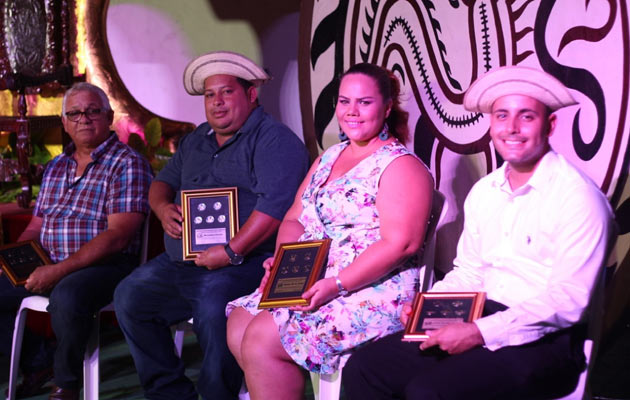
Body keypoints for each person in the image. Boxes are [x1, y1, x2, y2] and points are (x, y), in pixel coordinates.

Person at [342, 66, 616, 400]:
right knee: (366, 367)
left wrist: (479, 333)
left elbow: (567, 302)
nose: (511, 128)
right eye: (502, 116)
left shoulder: (579, 198)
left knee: (429, 392)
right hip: (478, 316)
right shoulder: (485, 191)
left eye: (526, 116)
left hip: (546, 341)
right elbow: (469, 272)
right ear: (491, 124)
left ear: (550, 125)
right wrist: (428, 307)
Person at [225, 62, 434, 399]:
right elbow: (294, 218)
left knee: (262, 337)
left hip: (371, 287)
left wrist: (336, 284)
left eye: (364, 102)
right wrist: (283, 266)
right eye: (344, 101)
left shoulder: (400, 165)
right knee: (239, 321)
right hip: (314, 274)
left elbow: (402, 244)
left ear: (387, 107)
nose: (351, 111)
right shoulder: (330, 156)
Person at [113, 50, 310, 400]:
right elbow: (161, 183)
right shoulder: (196, 140)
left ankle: (218, 395)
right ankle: (170, 394)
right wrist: (161, 208)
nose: (217, 103)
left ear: (251, 95)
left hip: (244, 262)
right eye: (209, 95)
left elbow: (274, 209)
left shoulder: (274, 140)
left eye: (227, 92)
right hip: (183, 261)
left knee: (212, 307)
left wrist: (232, 250)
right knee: (129, 297)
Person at [0, 82, 153, 400]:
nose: (84, 118)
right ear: (64, 123)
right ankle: (39, 361)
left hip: (106, 265)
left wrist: (57, 272)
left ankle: (66, 385)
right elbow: (35, 226)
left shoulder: (127, 163)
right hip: (51, 261)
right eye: (75, 113)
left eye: (92, 111)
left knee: (68, 295)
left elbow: (117, 237)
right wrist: (16, 260)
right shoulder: (56, 166)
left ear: (108, 117)